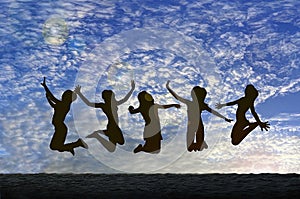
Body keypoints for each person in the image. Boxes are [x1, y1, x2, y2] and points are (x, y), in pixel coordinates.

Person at [166, 80, 232, 152]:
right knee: (190, 148)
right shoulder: (190, 103)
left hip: (198, 125)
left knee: (195, 148)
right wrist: (168, 88)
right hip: (192, 125)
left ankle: (201, 143)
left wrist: (225, 118)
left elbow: (214, 112)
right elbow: (177, 97)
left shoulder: (200, 105)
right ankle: (201, 143)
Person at [75, 80, 135, 152]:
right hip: (113, 126)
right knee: (119, 143)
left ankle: (99, 134)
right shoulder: (105, 105)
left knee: (112, 148)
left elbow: (125, 99)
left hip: (113, 126)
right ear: (107, 97)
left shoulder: (112, 104)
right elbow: (89, 103)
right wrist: (79, 93)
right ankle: (100, 133)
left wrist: (132, 89)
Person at [41, 77, 88, 156]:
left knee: (54, 146)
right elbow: (53, 105)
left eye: (64, 95)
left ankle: (76, 144)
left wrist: (45, 87)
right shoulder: (61, 105)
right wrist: (48, 99)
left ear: (66, 98)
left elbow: (53, 98)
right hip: (60, 128)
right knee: (58, 147)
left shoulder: (64, 105)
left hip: (60, 128)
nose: (62, 95)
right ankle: (72, 146)